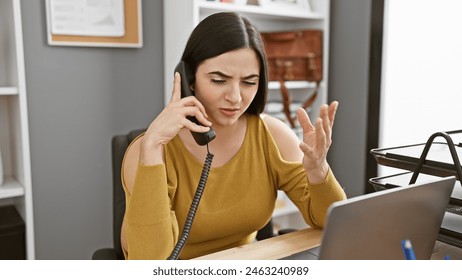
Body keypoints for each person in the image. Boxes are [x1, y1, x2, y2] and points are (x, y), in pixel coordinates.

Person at [120, 12, 346, 260]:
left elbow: (330, 222)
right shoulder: (150, 151)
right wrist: (152, 147)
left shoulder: (273, 134)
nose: (236, 98)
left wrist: (318, 170)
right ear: (189, 79)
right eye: (219, 80)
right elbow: (148, 260)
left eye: (249, 82)